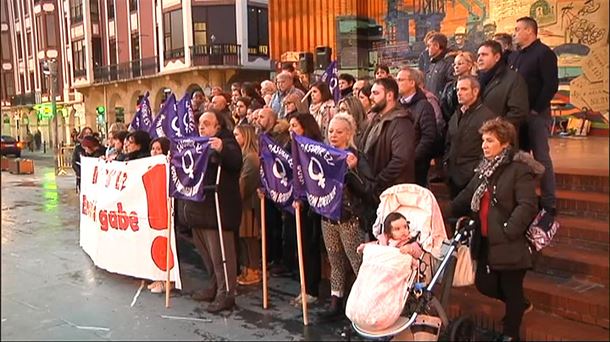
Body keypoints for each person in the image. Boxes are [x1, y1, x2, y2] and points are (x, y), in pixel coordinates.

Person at [451, 118, 540, 341]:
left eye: (490, 140)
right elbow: (466, 195)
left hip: (511, 241)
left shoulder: (519, 170)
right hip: (486, 240)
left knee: (511, 289)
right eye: (483, 140)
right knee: (484, 283)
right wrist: (441, 209)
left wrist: (510, 229)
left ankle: (510, 334)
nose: (484, 145)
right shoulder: (484, 169)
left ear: (505, 143)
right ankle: (519, 305)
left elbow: (528, 205)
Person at [183, 109, 243, 313]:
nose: (201, 126)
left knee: (221, 255)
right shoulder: (196, 143)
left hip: (218, 209)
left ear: (218, 126)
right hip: (199, 208)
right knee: (207, 254)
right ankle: (215, 286)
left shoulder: (227, 141)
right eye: (200, 122)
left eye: (207, 123)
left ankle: (227, 294)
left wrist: (222, 149)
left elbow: (236, 162)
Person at [320, 113, 375, 321]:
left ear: (349, 134)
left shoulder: (357, 157)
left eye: (339, 131)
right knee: (335, 261)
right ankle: (336, 301)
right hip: (328, 217)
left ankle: (364, 306)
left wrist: (352, 171)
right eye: (331, 131)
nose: (333, 135)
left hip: (350, 218)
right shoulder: (324, 156)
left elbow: (368, 189)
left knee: (357, 263)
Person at [509, 16, 559, 216]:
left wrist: (535, 109)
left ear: (530, 31)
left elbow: (550, 85)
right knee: (518, 158)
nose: (515, 33)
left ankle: (549, 202)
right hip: (518, 117)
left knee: (541, 157)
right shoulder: (515, 56)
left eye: (518, 29)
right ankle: (524, 199)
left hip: (536, 115)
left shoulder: (544, 54)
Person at [281, 113, 323, 307]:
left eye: (295, 126)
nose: (291, 129)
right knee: (298, 246)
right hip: (294, 203)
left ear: (305, 127)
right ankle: (303, 287)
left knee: (309, 246)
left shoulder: (314, 148)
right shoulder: (289, 146)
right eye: (290, 125)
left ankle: (312, 290)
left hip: (311, 206)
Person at [361, 77, 416, 197]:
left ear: (389, 95)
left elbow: (401, 160)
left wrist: (378, 181)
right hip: (377, 191)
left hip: (393, 194)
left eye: (375, 93)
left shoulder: (401, 123)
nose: (371, 97)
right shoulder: (375, 120)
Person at [444, 76, 497, 198]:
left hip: (471, 179)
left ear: (475, 91)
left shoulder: (487, 117)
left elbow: (491, 151)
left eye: (464, 89)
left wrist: (476, 172)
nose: (459, 93)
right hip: (453, 177)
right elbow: (448, 142)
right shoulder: (457, 114)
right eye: (457, 90)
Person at [477, 40, 528, 140]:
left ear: (497, 57)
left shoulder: (513, 79)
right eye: (478, 55)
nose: (480, 58)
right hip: (477, 139)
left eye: (484, 55)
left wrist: (495, 128)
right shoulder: (476, 79)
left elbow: (519, 112)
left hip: (501, 139)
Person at [397, 66, 438, 188]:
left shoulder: (424, 106)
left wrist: (412, 158)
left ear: (412, 83)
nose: (397, 83)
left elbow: (428, 137)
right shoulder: (398, 105)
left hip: (416, 168)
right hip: (399, 166)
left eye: (401, 80)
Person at [233, 125, 262, 286]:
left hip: (248, 205)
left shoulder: (250, 157)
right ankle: (247, 268)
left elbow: (244, 183)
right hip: (243, 203)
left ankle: (253, 270)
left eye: (237, 135)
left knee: (249, 238)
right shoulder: (244, 155)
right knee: (243, 238)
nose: (234, 137)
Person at [147, 136, 172, 294]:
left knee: (165, 243)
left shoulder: (169, 164)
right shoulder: (148, 165)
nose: (155, 152)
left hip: (164, 208)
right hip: (154, 208)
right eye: (153, 149)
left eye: (158, 149)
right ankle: (158, 278)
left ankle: (167, 280)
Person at [356, 212, 424, 269]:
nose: (403, 231)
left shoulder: (411, 242)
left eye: (405, 227)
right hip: (384, 267)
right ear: (388, 234)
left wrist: (410, 249)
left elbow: (419, 253)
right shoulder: (384, 242)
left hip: (399, 271)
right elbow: (375, 246)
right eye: (397, 229)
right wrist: (365, 246)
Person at [441, 51, 477, 124]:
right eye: (454, 64)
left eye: (460, 64)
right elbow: (443, 105)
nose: (456, 67)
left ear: (469, 65)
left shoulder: (477, 83)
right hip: (451, 123)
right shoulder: (449, 86)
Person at [425, 33, 455, 99]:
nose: (427, 49)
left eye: (429, 46)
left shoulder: (449, 62)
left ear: (437, 46)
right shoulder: (432, 64)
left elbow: (451, 86)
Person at [72, 127, 94, 193]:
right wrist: (79, 173)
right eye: (86, 133)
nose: (88, 135)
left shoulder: (95, 147)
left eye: (90, 133)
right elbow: (74, 162)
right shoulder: (78, 148)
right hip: (82, 177)